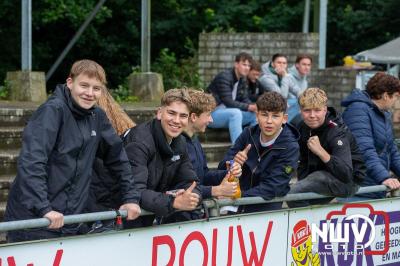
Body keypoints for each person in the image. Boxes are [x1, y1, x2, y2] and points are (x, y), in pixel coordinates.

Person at [4, 60, 141, 242]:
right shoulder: (51, 111)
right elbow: (32, 163)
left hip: (69, 222)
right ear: (70, 83)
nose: (90, 93)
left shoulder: (97, 116)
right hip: (35, 221)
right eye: (84, 85)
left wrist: (131, 197)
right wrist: (44, 209)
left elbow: (118, 159)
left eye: (96, 88)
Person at [124, 88, 202, 226]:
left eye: (183, 116)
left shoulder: (180, 141)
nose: (177, 120)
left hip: (143, 218)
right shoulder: (139, 141)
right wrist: (173, 202)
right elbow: (134, 191)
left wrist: (191, 196)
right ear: (159, 113)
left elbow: (191, 182)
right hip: (111, 217)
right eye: (171, 113)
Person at [218, 91, 300, 213]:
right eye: (264, 115)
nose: (269, 121)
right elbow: (222, 165)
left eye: (275, 116)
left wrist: (239, 196)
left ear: (284, 119)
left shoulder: (290, 146)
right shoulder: (248, 133)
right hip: (237, 204)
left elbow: (274, 186)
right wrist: (233, 162)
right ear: (257, 116)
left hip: (265, 208)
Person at [287, 88, 362, 207]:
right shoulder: (302, 126)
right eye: (307, 111)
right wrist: (301, 182)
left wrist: (321, 152)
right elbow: (302, 161)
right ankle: (308, 222)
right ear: (300, 111)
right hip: (318, 176)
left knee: (293, 195)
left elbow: (346, 173)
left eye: (317, 110)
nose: (312, 115)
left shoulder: (336, 132)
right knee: (289, 192)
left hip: (348, 181)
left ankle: (305, 223)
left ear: (325, 110)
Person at [341, 72, 400, 200]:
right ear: (385, 96)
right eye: (396, 96)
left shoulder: (384, 114)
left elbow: (392, 151)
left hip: (374, 188)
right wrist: (384, 177)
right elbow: (364, 150)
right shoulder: (358, 110)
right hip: (358, 191)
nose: (397, 101)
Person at [183, 89, 242, 200]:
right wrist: (216, 190)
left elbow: (204, 175)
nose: (211, 120)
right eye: (208, 114)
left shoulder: (194, 141)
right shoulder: (177, 145)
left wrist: (228, 172)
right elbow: (182, 187)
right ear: (194, 117)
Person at [207, 52, 257, 143]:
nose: (247, 68)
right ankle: (238, 149)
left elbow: (244, 98)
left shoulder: (242, 79)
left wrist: (254, 106)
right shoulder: (224, 76)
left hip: (227, 114)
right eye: (244, 64)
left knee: (256, 115)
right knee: (236, 113)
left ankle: (251, 144)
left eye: (249, 66)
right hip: (211, 115)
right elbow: (228, 101)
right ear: (236, 64)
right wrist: (249, 107)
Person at [259, 54, 301, 122]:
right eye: (279, 62)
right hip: (268, 105)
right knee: (294, 102)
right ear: (272, 64)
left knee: (299, 101)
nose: (282, 65)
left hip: (280, 104)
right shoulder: (265, 78)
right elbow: (281, 96)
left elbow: (296, 89)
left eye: (284, 63)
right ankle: (282, 124)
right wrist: (285, 76)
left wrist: (304, 98)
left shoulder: (282, 75)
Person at [287, 55, 313, 122]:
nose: (306, 67)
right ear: (297, 65)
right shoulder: (288, 77)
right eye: (304, 64)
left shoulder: (304, 80)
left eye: (308, 65)